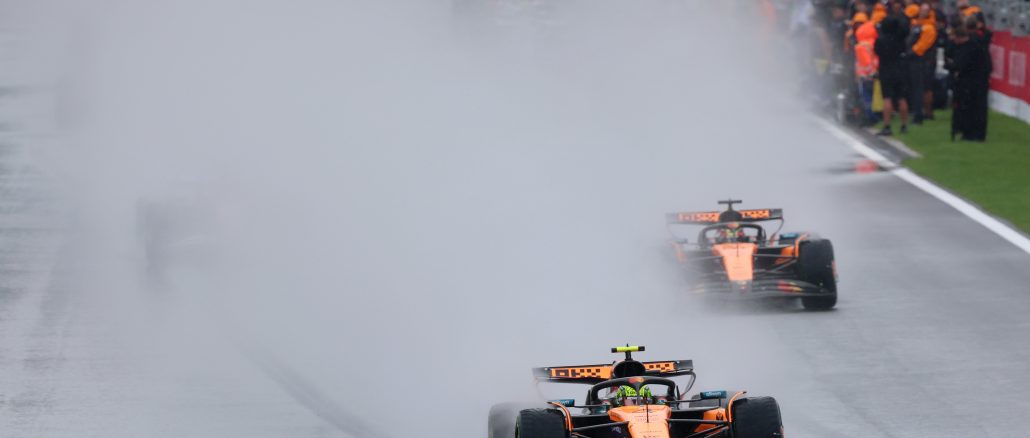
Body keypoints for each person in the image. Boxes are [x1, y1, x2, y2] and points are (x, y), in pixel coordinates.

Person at [948, 16, 991, 141]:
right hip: (979, 78)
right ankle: (975, 133)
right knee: (977, 108)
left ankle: (972, 133)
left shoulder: (971, 44)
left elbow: (961, 63)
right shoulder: (982, 38)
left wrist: (952, 66)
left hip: (973, 79)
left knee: (972, 107)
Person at [875, 1, 911, 135]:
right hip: (900, 68)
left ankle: (887, 126)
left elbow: (877, 52)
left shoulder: (880, 40)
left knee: (887, 98)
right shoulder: (900, 39)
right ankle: (904, 125)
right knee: (902, 97)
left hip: (886, 68)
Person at [908, 4, 938, 123]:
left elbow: (922, 46)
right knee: (919, 87)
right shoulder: (916, 24)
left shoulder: (929, 27)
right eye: (922, 10)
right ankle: (920, 111)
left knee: (925, 87)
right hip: (918, 59)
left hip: (925, 61)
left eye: (925, 10)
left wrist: (911, 52)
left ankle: (927, 112)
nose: (922, 12)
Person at [855, 14, 880, 125]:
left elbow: (864, 62)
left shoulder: (860, 46)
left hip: (865, 75)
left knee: (866, 97)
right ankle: (875, 115)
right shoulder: (874, 42)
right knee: (876, 96)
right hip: (875, 73)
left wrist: (867, 73)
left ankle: (870, 116)